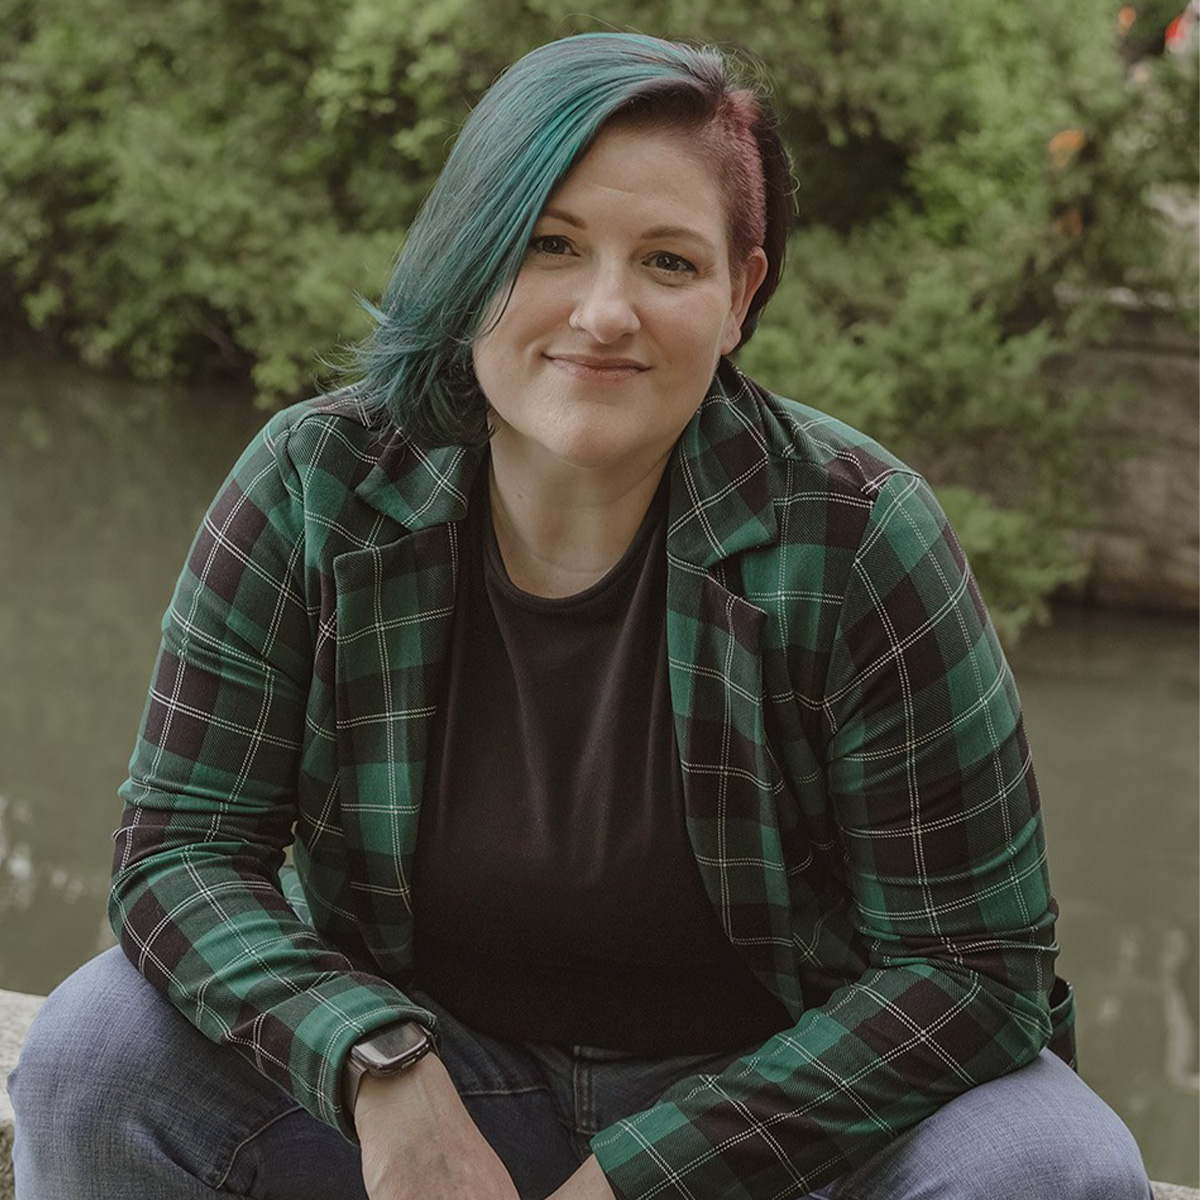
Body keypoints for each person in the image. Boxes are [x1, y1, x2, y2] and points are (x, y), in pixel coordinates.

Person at [8, 31, 1152, 1200]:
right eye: (550, 245)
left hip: (783, 1107)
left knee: (1049, 1164)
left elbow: (971, 969)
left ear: (740, 296)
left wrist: (645, 1176)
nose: (604, 312)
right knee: (96, 1054)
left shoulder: (857, 535)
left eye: (668, 263)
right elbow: (181, 855)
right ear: (470, 256)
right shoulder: (318, 486)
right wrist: (378, 1063)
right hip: (435, 1078)